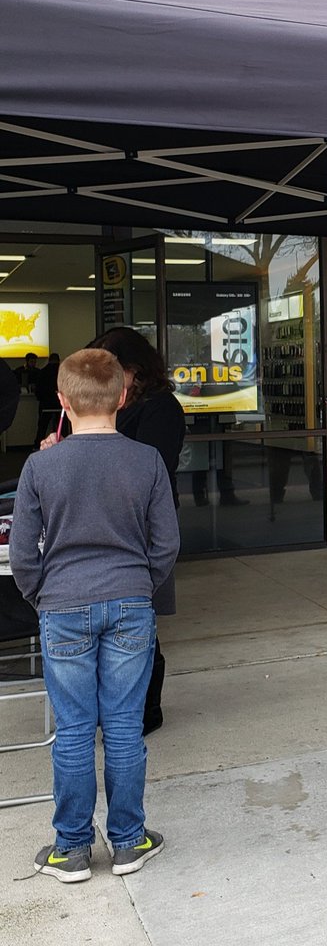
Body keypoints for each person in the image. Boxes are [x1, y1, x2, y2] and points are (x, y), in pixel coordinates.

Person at [9, 348, 178, 883]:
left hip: (62, 604)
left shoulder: (41, 465)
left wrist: (42, 595)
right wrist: (140, 585)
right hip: (130, 601)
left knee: (76, 729)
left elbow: (20, 553)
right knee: (125, 726)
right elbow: (166, 544)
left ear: (61, 401)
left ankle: (72, 849)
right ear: (122, 396)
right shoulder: (146, 460)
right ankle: (129, 841)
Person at [43, 329, 186, 732]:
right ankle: (116, 712)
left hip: (139, 527)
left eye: (109, 368)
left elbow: (149, 469)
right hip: (101, 521)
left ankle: (145, 710)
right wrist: (59, 453)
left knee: (143, 627)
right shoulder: (107, 407)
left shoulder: (161, 408)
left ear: (133, 372)